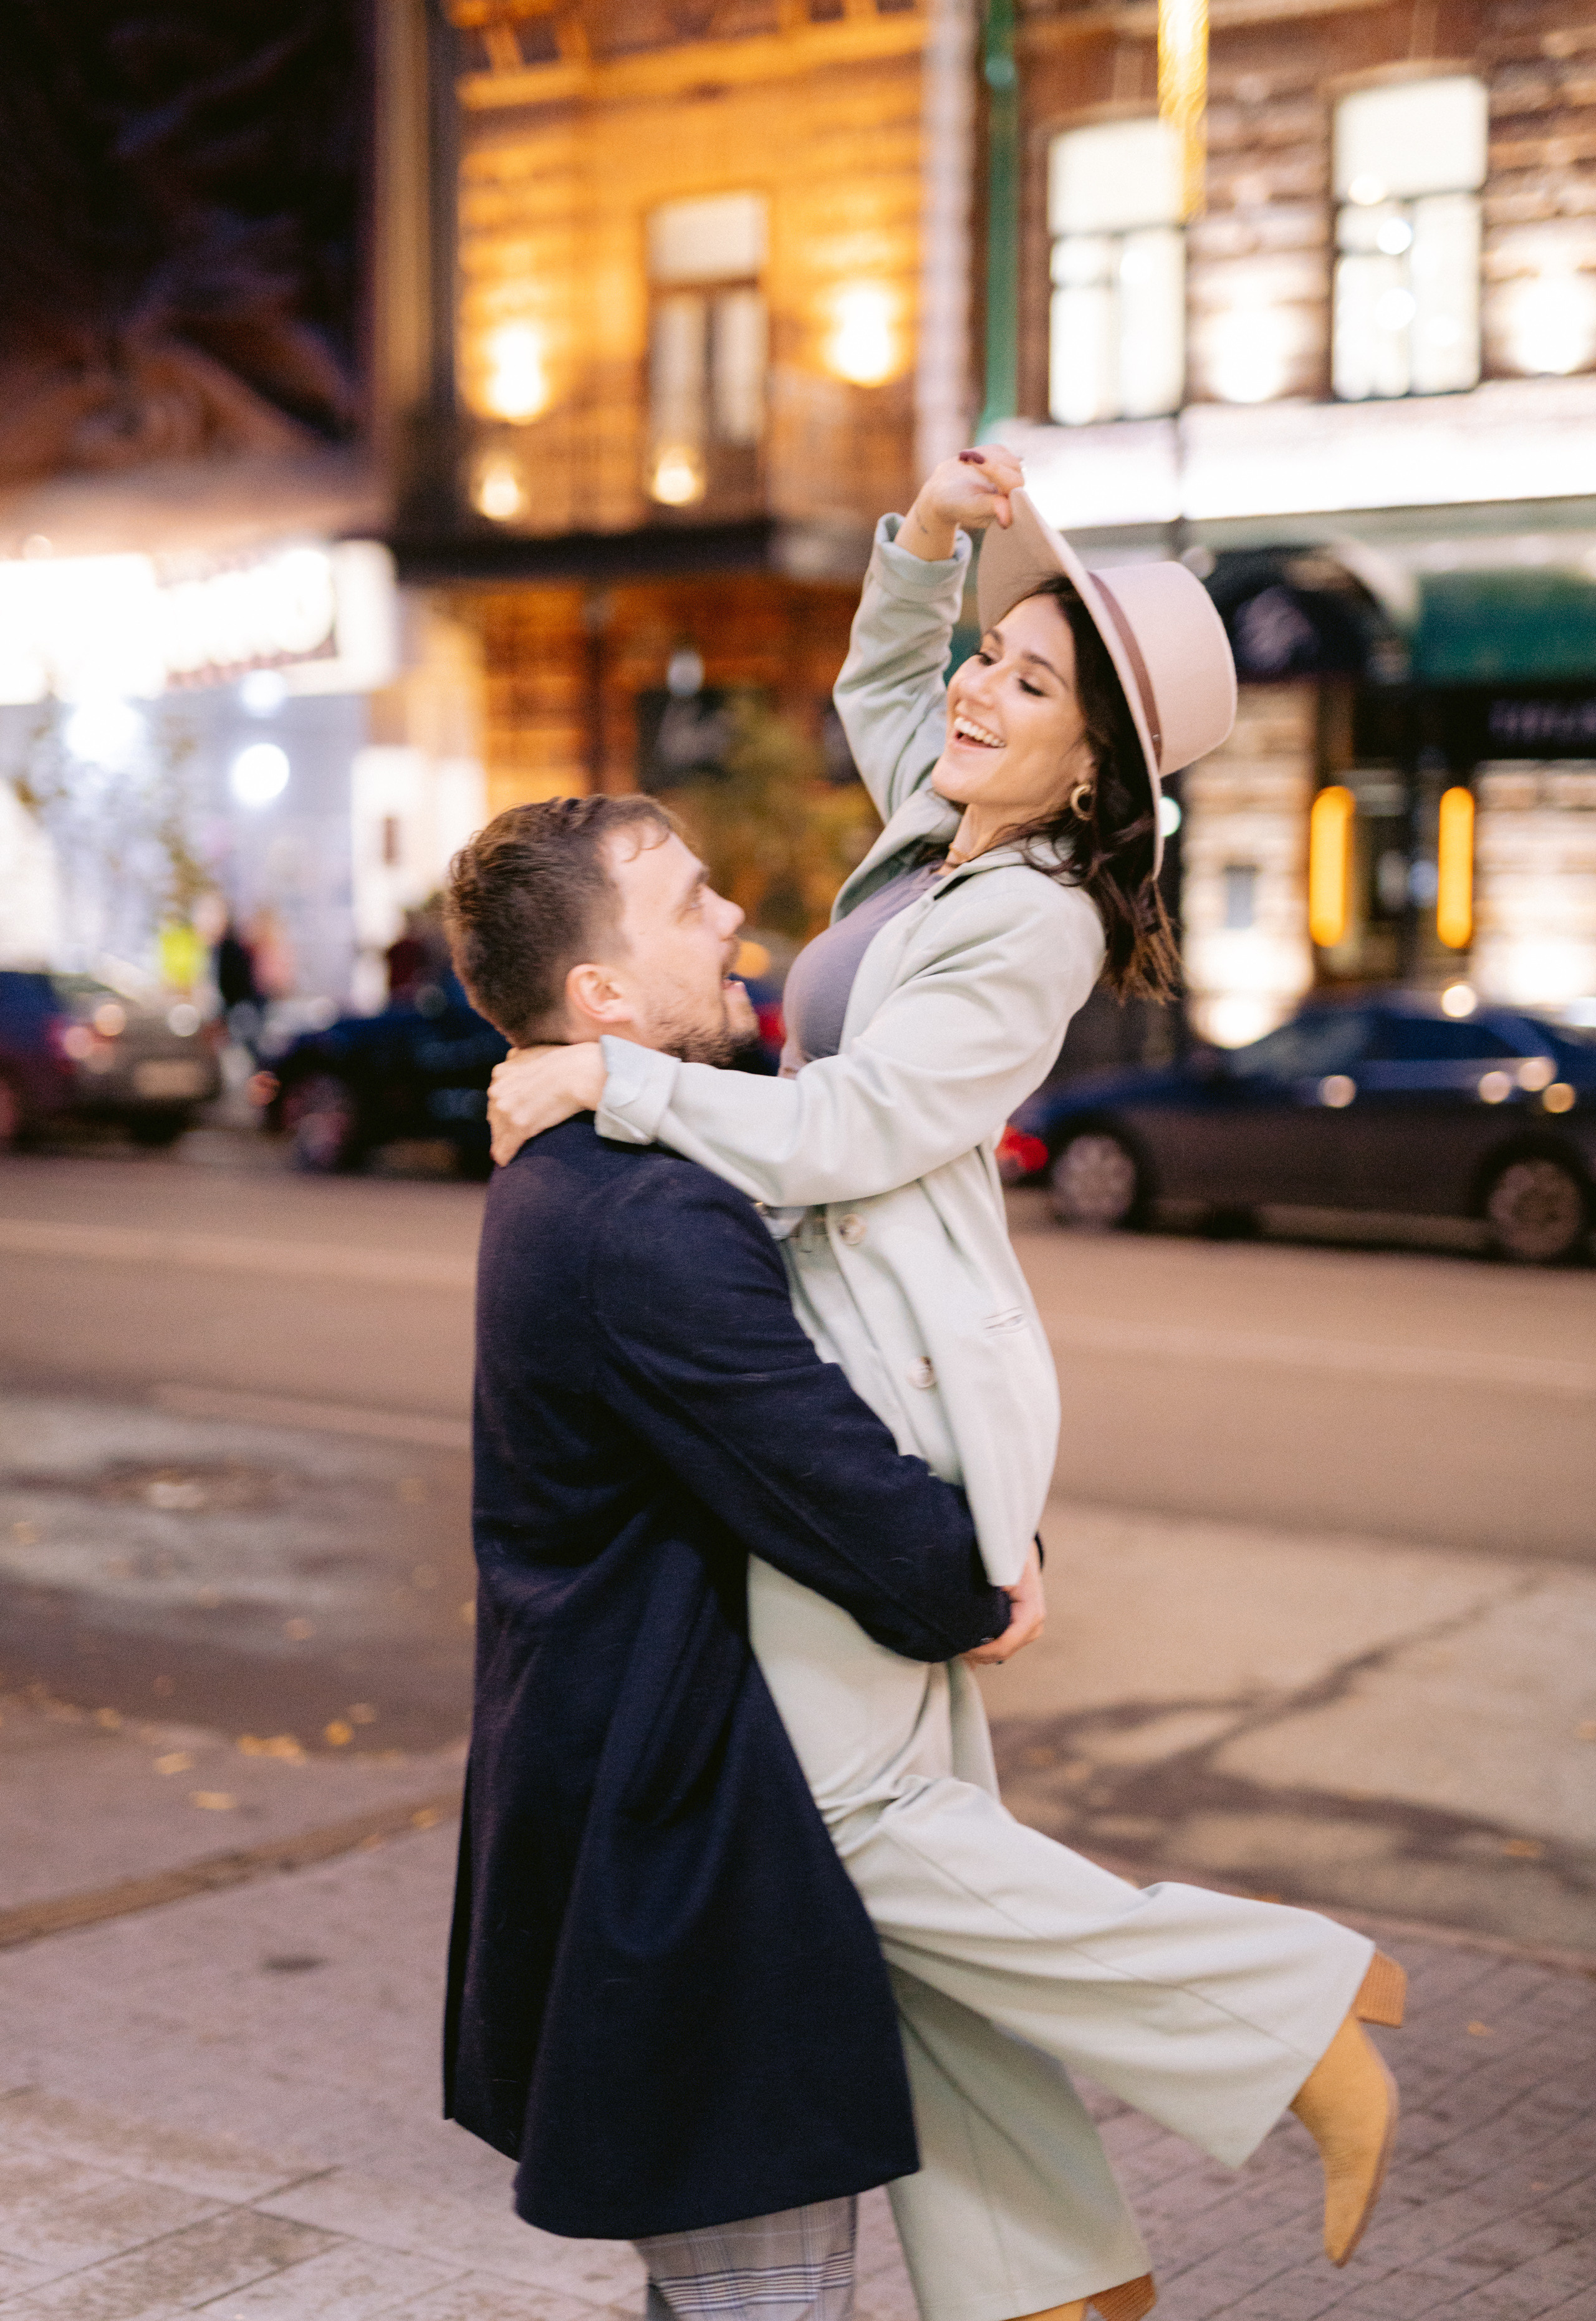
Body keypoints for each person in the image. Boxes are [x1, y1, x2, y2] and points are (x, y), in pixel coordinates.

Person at [488, 450, 1407, 2321]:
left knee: (849, 1838)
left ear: (1100, 770)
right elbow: (878, 690)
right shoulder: (943, 833)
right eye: (994, 658)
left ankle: (1291, 2014)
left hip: (902, 1376)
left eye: (1032, 686)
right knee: (891, 1869)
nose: (980, 693)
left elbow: (867, 1121)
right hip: (868, 1348)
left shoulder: (1035, 917)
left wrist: (620, 1085)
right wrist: (924, 548)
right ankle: (1051, 2278)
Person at [440, 794, 1036, 2315]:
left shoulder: (597, 1174)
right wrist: (977, 1583)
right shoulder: (641, 1218)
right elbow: (830, 1483)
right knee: (758, 2294)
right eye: (689, 900)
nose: (732, 922)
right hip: (678, 1839)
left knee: (718, 2287)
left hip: (637, 1799)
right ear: (603, 1002)